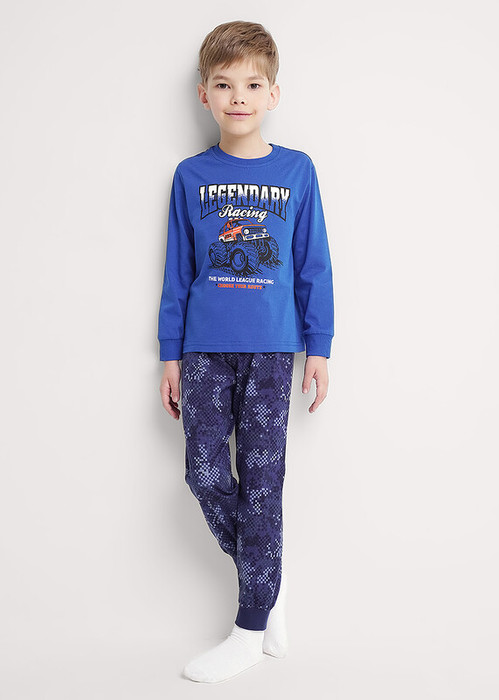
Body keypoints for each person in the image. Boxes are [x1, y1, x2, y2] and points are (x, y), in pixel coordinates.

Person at [157, 20, 334, 683]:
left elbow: (313, 265)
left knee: (262, 484)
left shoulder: (296, 171)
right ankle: (268, 582)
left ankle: (250, 626)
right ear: (204, 94)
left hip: (272, 351)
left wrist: (320, 347)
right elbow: (177, 272)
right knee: (204, 473)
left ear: (273, 94)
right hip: (203, 349)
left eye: (253, 85)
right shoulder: (190, 176)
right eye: (224, 84)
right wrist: (169, 354)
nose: (239, 96)